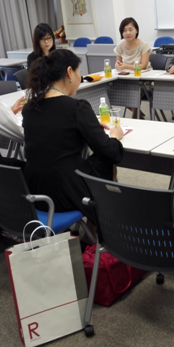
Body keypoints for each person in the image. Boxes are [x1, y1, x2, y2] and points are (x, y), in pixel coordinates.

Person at [22, 49, 124, 219]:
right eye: (79, 73)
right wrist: (114, 135)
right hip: (65, 192)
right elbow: (110, 151)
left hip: (35, 191)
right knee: (106, 158)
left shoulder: (29, 107)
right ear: (70, 72)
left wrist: (87, 125)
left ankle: (94, 226)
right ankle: (105, 223)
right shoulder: (77, 108)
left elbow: (54, 130)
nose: (80, 78)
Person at [114, 17, 152, 119]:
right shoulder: (120, 46)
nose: (128, 33)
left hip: (144, 78)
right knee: (113, 89)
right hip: (127, 78)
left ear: (136, 30)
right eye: (124, 30)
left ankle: (135, 115)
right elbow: (118, 63)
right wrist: (118, 65)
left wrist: (126, 66)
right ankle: (138, 113)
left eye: (130, 29)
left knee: (135, 89)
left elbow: (143, 66)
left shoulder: (144, 45)